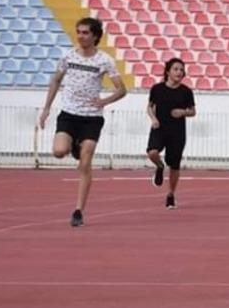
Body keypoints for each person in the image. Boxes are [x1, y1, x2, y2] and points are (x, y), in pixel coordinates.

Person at [37, 17, 127, 227]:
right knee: (59, 152)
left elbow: (122, 89)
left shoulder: (104, 60)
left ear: (95, 36)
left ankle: (78, 210)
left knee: (85, 162)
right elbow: (56, 80)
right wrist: (47, 108)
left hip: (91, 117)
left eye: (85, 32)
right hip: (69, 114)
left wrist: (104, 100)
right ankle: (74, 145)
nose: (80, 36)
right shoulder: (68, 56)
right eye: (78, 32)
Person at [147, 57, 196, 210]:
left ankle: (170, 195)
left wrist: (182, 112)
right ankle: (159, 167)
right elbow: (149, 107)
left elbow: (193, 111)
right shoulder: (157, 89)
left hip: (177, 132)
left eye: (181, 70)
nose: (179, 72)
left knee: (174, 165)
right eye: (175, 69)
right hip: (159, 127)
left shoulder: (186, 92)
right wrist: (153, 119)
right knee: (152, 153)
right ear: (168, 71)